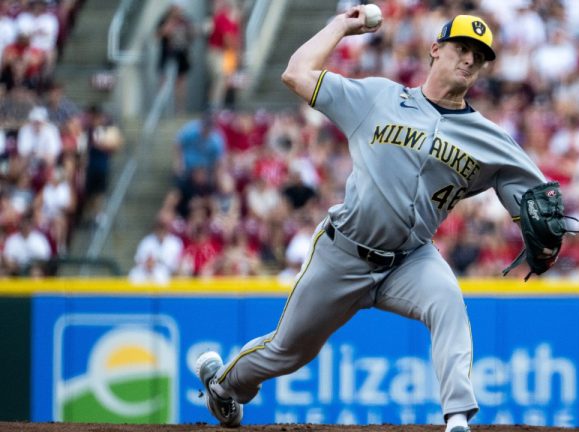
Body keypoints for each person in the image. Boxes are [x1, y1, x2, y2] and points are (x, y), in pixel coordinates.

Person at [195, 8, 551, 431]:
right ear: (435, 49)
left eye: (480, 54)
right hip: (343, 253)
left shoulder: (490, 139)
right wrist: (341, 26)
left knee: (449, 304)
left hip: (411, 261)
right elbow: (296, 73)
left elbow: (535, 194)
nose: (470, 59)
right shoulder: (379, 97)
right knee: (287, 352)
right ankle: (223, 387)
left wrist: (544, 224)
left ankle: (457, 420)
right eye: (462, 48)